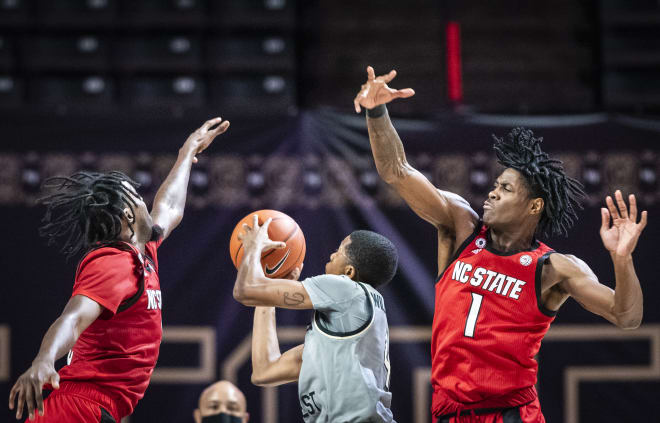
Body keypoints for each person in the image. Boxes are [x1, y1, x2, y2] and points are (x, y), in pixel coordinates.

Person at [354, 66, 647, 422]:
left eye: (506, 189)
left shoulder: (553, 267)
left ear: (534, 206)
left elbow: (626, 316)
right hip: (450, 411)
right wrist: (376, 112)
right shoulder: (460, 227)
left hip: (511, 413)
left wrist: (622, 259)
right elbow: (397, 171)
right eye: (495, 184)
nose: (492, 192)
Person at [8, 117, 230, 423]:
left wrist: (186, 152)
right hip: (77, 409)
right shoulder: (113, 263)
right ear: (128, 216)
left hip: (97, 409)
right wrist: (44, 360)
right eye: (138, 197)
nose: (145, 200)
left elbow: (169, 208)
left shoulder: (141, 252)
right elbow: (73, 318)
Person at [233, 216, 398, 422]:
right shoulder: (346, 332)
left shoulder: (346, 289)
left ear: (349, 272)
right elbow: (264, 371)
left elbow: (245, 290)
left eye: (339, 251)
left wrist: (253, 247)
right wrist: (268, 293)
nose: (332, 254)